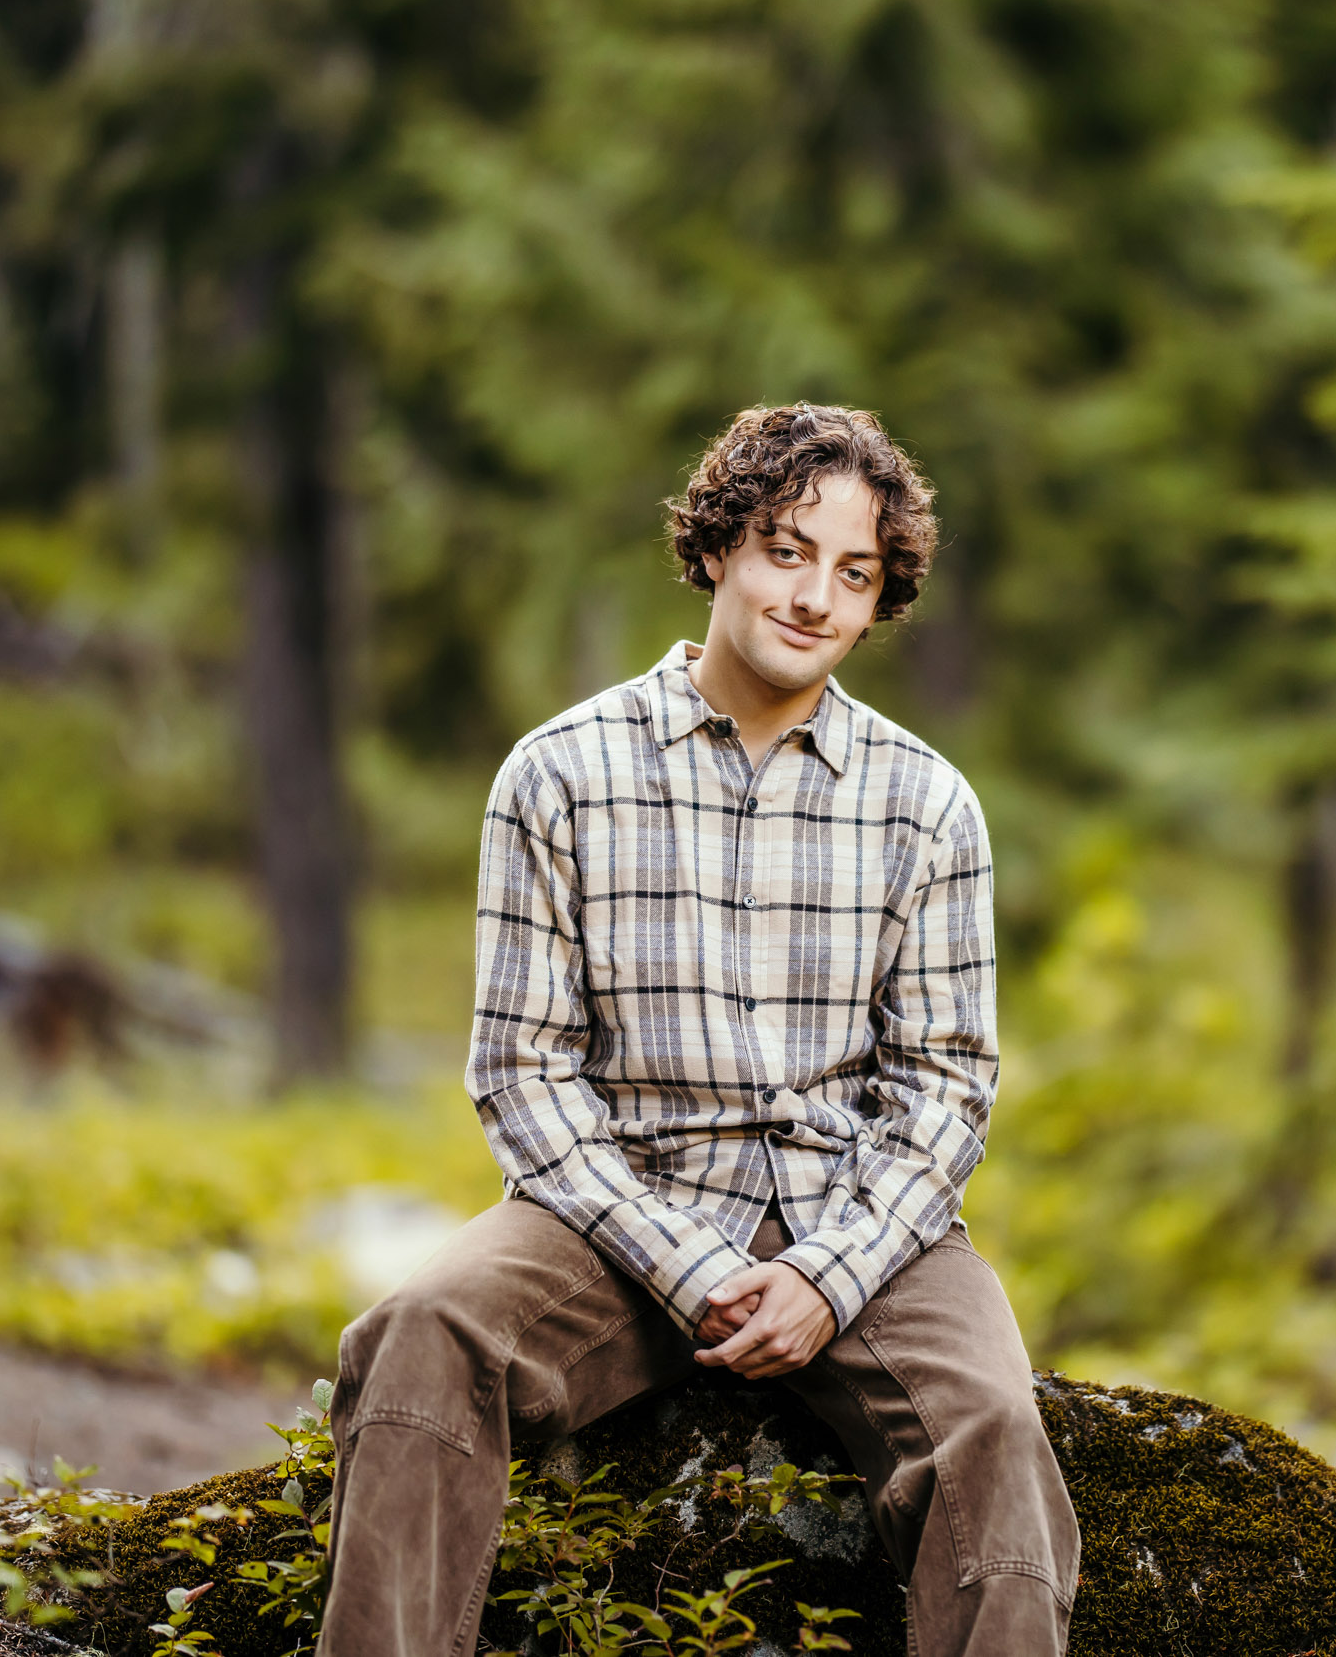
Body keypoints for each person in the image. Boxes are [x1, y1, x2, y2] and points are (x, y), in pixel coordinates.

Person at [317, 404, 1080, 1657]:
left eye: (855, 573)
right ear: (720, 544)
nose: (815, 596)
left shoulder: (927, 804)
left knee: (995, 1425)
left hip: (863, 1220)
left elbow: (945, 1089)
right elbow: (523, 1073)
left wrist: (827, 1278)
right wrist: (689, 1266)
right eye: (787, 548)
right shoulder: (559, 774)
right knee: (417, 1337)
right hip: (616, 1210)